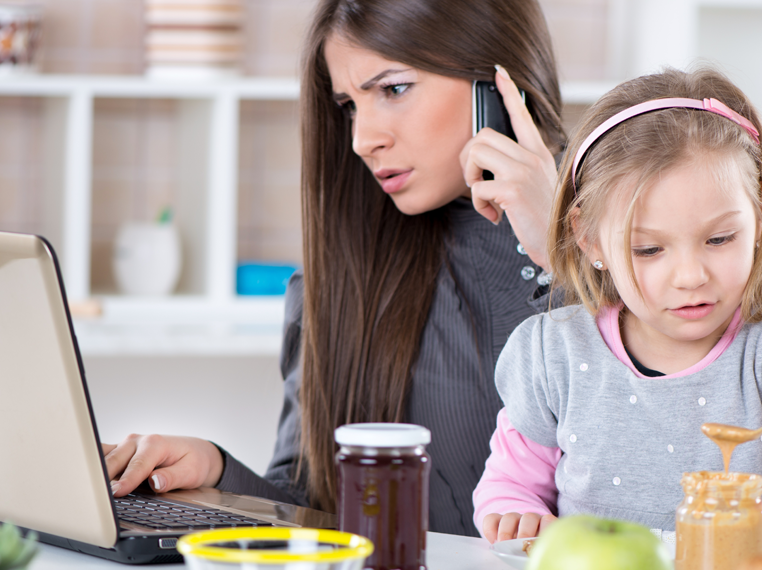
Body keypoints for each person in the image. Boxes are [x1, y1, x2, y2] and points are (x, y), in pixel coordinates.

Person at [101, 0, 566, 537]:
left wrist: (559, 251)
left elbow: (653, 477)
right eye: (349, 104)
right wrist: (216, 470)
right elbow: (315, 508)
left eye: (393, 89)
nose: (362, 139)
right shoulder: (343, 280)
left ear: (497, 86)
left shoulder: (636, 260)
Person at [472, 67, 762, 554]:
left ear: (760, 218)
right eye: (648, 249)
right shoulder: (553, 354)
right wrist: (516, 516)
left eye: (719, 239)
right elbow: (510, 486)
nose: (690, 276)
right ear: (588, 237)